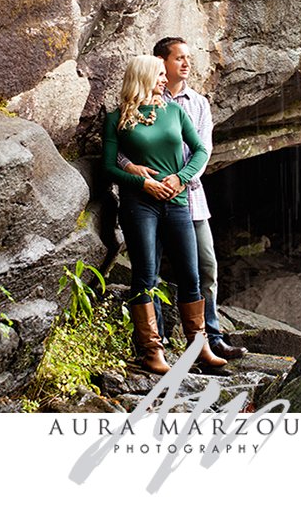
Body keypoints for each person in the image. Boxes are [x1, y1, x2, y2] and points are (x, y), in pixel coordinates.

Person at [118, 37, 247, 360]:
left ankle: (210, 338)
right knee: (150, 270)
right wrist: (132, 168)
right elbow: (120, 148)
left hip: (189, 197)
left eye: (189, 58)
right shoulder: (141, 102)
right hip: (148, 200)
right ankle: (156, 343)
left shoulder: (198, 103)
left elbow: (204, 150)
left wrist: (181, 178)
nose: (187, 64)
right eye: (179, 58)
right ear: (161, 63)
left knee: (205, 268)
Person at [103, 55, 227, 374]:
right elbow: (107, 166)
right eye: (159, 74)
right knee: (145, 274)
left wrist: (180, 178)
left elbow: (200, 150)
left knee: (190, 274)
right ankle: (151, 351)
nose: (164, 79)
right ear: (143, 77)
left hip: (177, 200)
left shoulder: (174, 111)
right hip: (139, 204)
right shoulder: (117, 117)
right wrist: (141, 182)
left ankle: (198, 348)